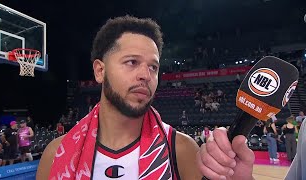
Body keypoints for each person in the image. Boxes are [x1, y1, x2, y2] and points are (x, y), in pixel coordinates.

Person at [37, 15, 254, 180]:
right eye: (132, 62)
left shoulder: (181, 150)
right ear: (100, 71)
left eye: (153, 67)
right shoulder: (55, 154)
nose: (146, 75)